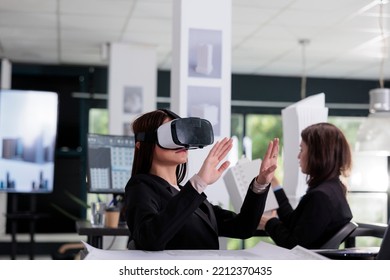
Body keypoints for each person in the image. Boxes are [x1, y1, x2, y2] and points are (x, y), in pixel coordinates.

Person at [124, 109, 279, 251]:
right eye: (170, 136)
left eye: (181, 134)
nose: (181, 142)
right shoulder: (140, 186)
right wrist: (199, 183)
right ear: (141, 145)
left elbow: (243, 227)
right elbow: (150, 239)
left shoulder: (188, 193)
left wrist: (261, 183)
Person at [259, 122, 353, 249]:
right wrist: (274, 184)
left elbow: (293, 245)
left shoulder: (320, 197)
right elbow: (293, 222)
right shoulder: (334, 188)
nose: (298, 156)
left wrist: (268, 223)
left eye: (302, 150)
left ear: (318, 154)